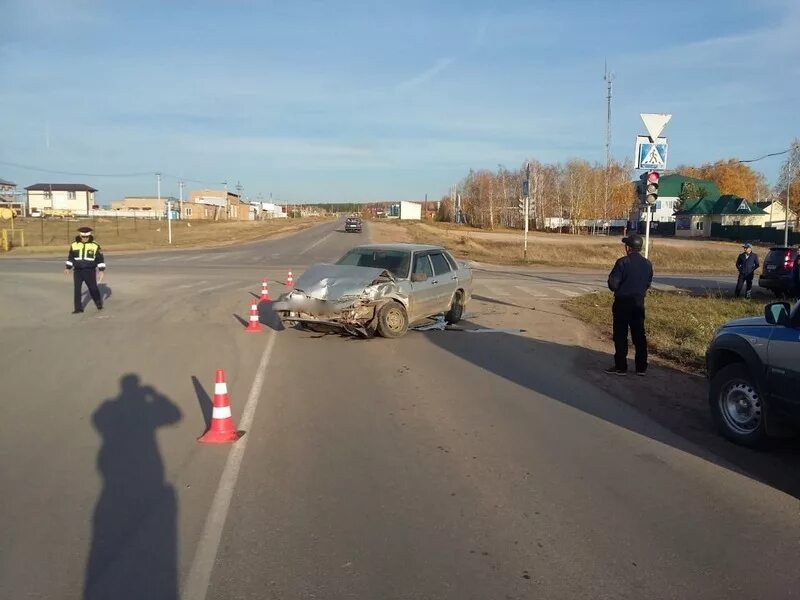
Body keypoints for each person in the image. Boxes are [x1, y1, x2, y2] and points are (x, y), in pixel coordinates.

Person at [606, 234, 653, 376]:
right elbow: (648, 283)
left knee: (620, 334)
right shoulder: (647, 264)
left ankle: (621, 366)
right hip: (638, 303)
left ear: (628, 248)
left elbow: (612, 284)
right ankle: (641, 367)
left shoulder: (622, 262)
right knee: (639, 334)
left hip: (622, 302)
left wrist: (620, 287)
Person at [64, 226, 106, 314]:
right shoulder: (74, 245)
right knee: (77, 289)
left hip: (89, 270)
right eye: (83, 237)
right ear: (80, 236)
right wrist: (68, 268)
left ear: (89, 236)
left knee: (93, 288)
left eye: (87, 237)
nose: (85, 238)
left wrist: (101, 270)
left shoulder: (95, 245)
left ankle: (98, 302)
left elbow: (99, 258)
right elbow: (71, 257)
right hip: (78, 271)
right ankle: (78, 308)